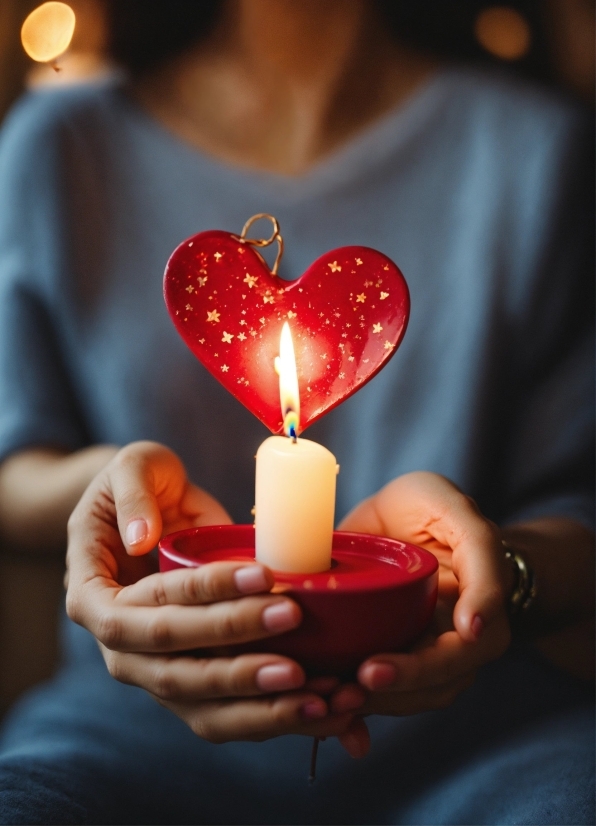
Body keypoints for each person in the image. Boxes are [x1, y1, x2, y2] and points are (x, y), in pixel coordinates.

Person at [0, 1, 593, 823]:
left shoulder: (539, 150)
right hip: (125, 728)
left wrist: (497, 574)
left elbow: (576, 506)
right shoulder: (59, 146)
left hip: (481, 738)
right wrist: (108, 494)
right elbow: (14, 461)